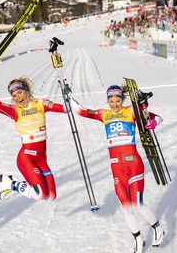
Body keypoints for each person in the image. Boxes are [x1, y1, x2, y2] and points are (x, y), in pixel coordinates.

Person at [71, 85, 165, 253]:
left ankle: (157, 227)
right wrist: (69, 96)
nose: (115, 104)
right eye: (111, 101)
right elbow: (82, 111)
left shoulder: (131, 111)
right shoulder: (104, 114)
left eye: (118, 100)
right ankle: (137, 238)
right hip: (116, 167)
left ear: (123, 100)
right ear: (107, 101)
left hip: (133, 163)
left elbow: (156, 117)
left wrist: (152, 122)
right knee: (126, 207)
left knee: (137, 203)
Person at [0, 77, 66, 201]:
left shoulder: (41, 103)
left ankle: (11, 182)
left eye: (20, 92)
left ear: (27, 91)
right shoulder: (15, 110)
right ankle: (8, 183)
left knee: (51, 196)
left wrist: (68, 98)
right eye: (14, 95)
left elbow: (65, 109)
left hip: (41, 159)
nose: (17, 97)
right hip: (26, 158)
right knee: (40, 195)